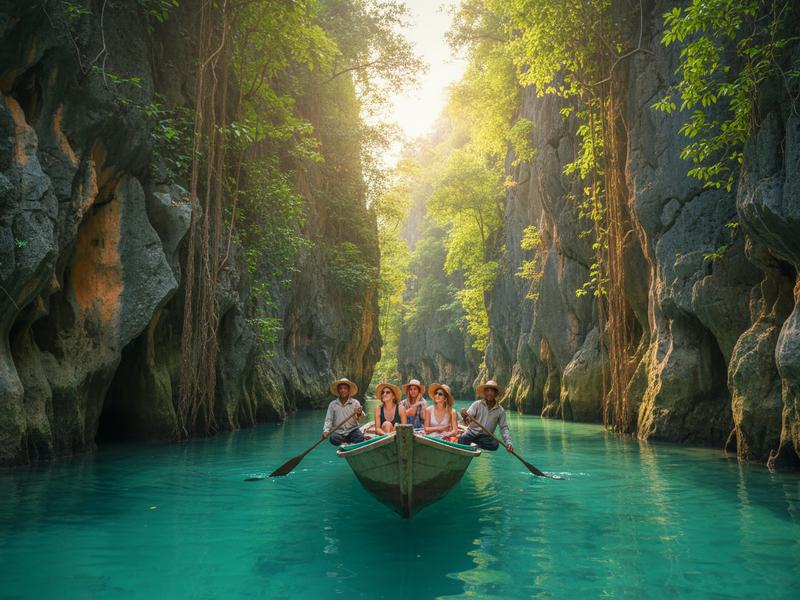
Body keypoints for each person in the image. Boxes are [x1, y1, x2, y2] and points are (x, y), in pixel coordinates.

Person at [459, 380, 513, 452]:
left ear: (496, 393)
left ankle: (475, 446)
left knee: (495, 445)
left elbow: (504, 428)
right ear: (484, 393)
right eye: (487, 390)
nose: (489, 393)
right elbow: (469, 416)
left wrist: (508, 442)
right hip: (471, 433)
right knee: (463, 437)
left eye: (492, 391)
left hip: (484, 437)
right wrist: (465, 415)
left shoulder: (500, 411)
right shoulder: (477, 404)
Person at [323, 377, 365, 446]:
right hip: (339, 432)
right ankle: (344, 444)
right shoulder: (333, 404)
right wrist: (326, 431)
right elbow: (328, 419)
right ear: (338, 390)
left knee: (360, 437)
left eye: (345, 388)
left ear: (348, 390)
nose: (343, 390)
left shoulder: (355, 403)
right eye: (341, 388)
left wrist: (359, 413)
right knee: (333, 438)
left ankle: (349, 444)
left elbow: (361, 418)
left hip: (352, 431)